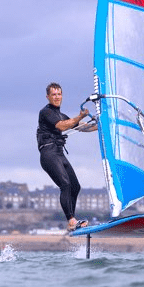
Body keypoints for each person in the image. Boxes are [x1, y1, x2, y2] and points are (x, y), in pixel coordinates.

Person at [37, 82, 96, 231]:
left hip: (59, 153)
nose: (57, 97)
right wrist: (79, 116)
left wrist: (101, 124)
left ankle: (73, 222)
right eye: (54, 94)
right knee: (65, 185)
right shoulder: (46, 112)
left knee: (75, 187)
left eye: (59, 94)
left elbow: (83, 128)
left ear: (62, 95)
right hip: (48, 154)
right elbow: (62, 126)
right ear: (48, 97)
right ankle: (71, 221)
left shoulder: (61, 115)